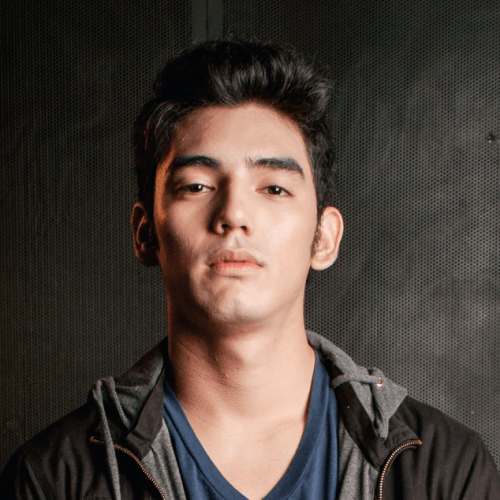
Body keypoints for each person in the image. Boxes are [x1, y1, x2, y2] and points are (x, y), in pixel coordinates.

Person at [1, 38, 499, 500]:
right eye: (196, 186)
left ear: (324, 238)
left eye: (274, 188)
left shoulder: (445, 473)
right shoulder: (53, 481)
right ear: (145, 232)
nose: (234, 214)